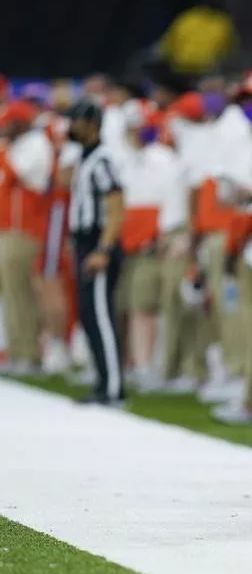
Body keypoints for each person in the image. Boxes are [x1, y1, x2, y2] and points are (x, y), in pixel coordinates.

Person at [66, 99, 126, 405]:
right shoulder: (84, 157)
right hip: (84, 244)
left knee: (101, 316)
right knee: (90, 315)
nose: (71, 126)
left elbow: (116, 207)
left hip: (98, 244)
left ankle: (113, 387)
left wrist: (103, 248)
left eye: (76, 120)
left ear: (91, 123)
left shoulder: (101, 160)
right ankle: (104, 381)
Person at [0, 99, 55, 375]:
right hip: (8, 228)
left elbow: (15, 175)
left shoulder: (35, 143)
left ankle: (30, 354)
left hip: (24, 230)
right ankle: (17, 350)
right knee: (12, 293)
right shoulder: (17, 145)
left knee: (20, 292)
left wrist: (3, 149)